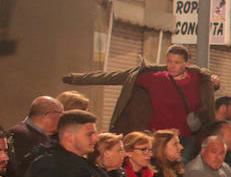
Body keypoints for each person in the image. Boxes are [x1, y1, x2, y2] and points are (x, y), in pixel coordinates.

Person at [61, 44, 216, 139]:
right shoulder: (153, 77)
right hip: (157, 138)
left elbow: (206, 96)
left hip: (187, 137)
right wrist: (75, 79)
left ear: (187, 62)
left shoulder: (198, 78)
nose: (172, 66)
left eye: (177, 62)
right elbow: (111, 77)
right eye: (169, 61)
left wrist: (214, 83)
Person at [7, 96, 62, 177]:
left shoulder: (46, 136)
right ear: (50, 114)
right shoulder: (20, 134)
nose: (62, 119)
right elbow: (19, 171)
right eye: (61, 114)